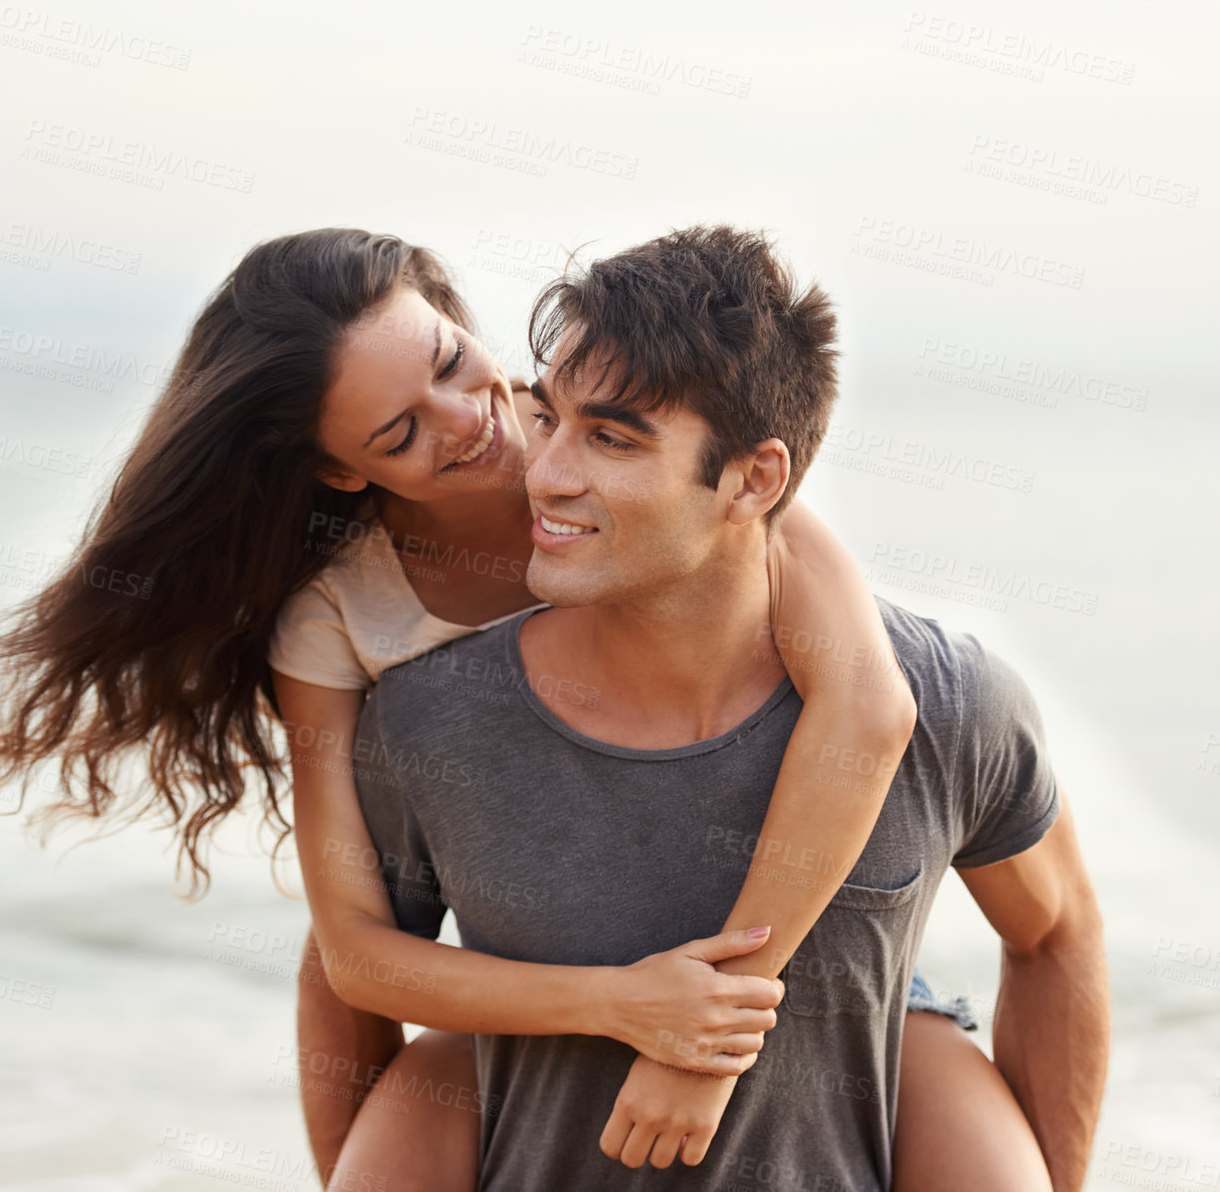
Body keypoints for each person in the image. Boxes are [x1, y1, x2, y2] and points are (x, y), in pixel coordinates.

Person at [0, 228, 1048, 1188]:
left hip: (782, 956)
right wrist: (616, 1008)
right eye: (399, 435)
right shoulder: (341, 620)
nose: (479, 426)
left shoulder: (622, 449)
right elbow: (356, 958)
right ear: (337, 474)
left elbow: (863, 706)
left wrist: (696, 1034)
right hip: (546, 956)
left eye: (454, 365)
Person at [340, 226, 1109, 1190]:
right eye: (552, 419)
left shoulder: (950, 705)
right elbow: (357, 973)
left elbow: (1053, 933)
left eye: (612, 438)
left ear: (753, 479)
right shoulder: (430, 722)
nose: (544, 474)